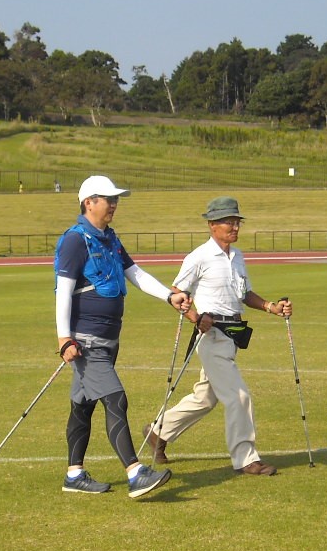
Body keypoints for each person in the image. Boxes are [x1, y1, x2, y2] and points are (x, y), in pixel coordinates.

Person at [55, 174, 190, 497]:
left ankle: (74, 475)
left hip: (108, 338)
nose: (114, 204)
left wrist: (169, 297)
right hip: (86, 342)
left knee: (82, 407)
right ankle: (135, 472)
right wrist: (64, 339)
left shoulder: (110, 238)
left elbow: (135, 273)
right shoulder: (75, 239)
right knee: (116, 398)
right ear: (89, 203)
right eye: (108, 199)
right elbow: (63, 291)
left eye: (115, 199)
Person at [143, 197, 288, 477]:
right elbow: (177, 292)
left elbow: (244, 295)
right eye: (228, 221)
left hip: (232, 335)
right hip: (211, 337)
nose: (234, 226)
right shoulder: (198, 257)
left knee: (205, 398)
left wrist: (272, 307)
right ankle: (246, 458)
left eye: (236, 221)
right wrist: (196, 317)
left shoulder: (238, 257)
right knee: (239, 396)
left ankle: (157, 432)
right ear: (212, 225)